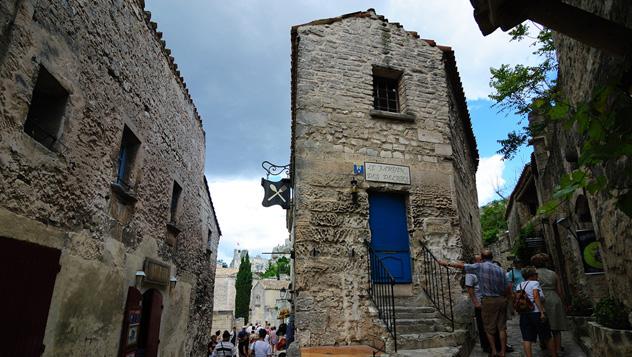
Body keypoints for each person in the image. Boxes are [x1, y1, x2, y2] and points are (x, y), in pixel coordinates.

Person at [439, 249, 510, 357]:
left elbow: (461, 266)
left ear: (482, 258)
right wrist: (507, 299)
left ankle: (494, 351)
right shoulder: (500, 269)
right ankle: (503, 352)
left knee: (489, 328)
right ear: (492, 257)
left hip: (488, 300)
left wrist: (445, 263)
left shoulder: (480, 266)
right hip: (501, 299)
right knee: (501, 328)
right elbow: (507, 286)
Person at [532, 253, 568, 355]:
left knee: (543, 325)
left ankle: (545, 345)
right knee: (556, 327)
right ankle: (558, 348)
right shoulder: (553, 273)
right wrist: (563, 302)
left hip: (540, 299)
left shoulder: (534, 274)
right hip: (554, 299)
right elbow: (559, 290)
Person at [516, 266, 557, 357]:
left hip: (524, 314)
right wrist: (541, 312)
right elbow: (536, 296)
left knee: (526, 338)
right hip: (536, 312)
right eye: (536, 273)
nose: (537, 275)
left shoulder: (519, 285)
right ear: (532, 275)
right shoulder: (535, 283)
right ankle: (554, 355)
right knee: (547, 336)